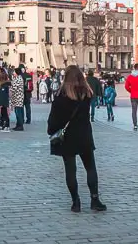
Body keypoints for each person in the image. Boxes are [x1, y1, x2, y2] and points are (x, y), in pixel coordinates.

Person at [48, 65, 106, 213]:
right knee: (90, 167)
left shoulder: (61, 96)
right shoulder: (86, 94)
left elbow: (54, 120)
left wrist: (52, 131)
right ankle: (94, 199)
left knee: (70, 170)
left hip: (67, 138)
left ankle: (76, 202)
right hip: (84, 135)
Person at [11, 66, 27, 131]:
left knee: (18, 112)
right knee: (16, 112)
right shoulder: (16, 78)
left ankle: (20, 125)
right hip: (16, 98)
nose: (13, 73)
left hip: (18, 98)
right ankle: (18, 125)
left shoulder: (19, 79)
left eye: (14, 72)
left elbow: (14, 87)